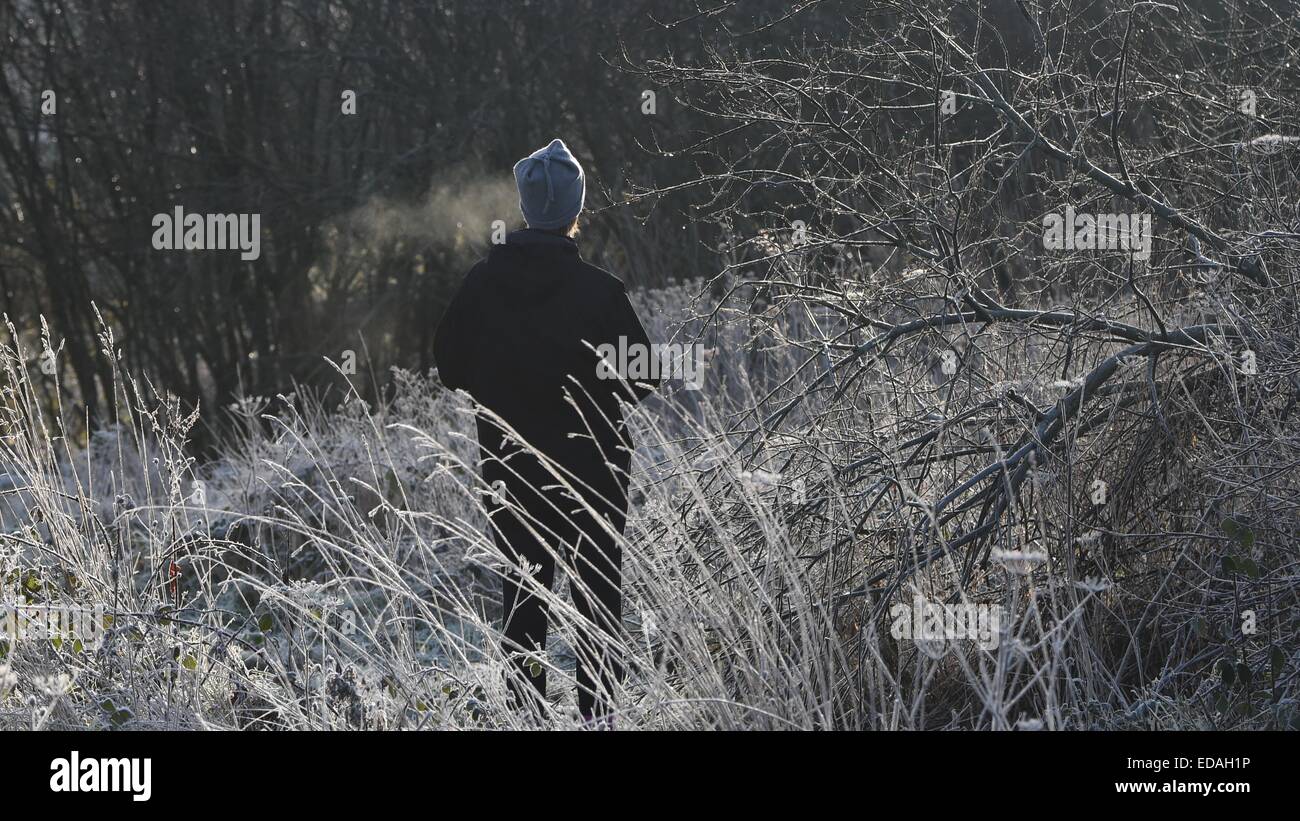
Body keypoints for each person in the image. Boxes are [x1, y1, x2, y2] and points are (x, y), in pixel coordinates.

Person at [433, 138, 658, 725]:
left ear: (527, 208)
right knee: (596, 607)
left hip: (510, 471)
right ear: (574, 213)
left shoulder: (482, 286)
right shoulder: (600, 293)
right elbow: (644, 378)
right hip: (594, 476)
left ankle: (527, 719)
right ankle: (598, 721)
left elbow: (449, 367)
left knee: (524, 608)